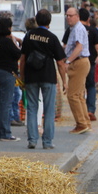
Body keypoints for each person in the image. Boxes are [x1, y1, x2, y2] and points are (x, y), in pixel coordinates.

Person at [20, 8, 67, 149]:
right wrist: (64, 81)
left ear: (36, 19)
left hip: (31, 76)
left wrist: (22, 77)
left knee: (32, 108)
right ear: (49, 21)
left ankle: (32, 140)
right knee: (49, 109)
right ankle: (47, 142)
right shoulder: (52, 38)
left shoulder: (29, 36)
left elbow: (23, 59)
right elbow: (60, 62)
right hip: (48, 76)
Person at [63, 7, 91, 134]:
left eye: (71, 15)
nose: (68, 18)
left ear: (77, 16)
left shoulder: (78, 28)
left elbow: (79, 47)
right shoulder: (74, 28)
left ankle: (81, 124)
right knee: (79, 95)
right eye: (67, 15)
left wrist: (68, 61)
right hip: (81, 61)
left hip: (79, 62)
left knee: (73, 95)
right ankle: (85, 122)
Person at [79, 8, 98, 121]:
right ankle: (90, 110)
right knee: (91, 86)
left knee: (79, 87)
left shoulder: (74, 30)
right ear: (88, 18)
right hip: (91, 62)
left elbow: (65, 46)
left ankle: (81, 111)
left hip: (78, 62)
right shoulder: (94, 31)